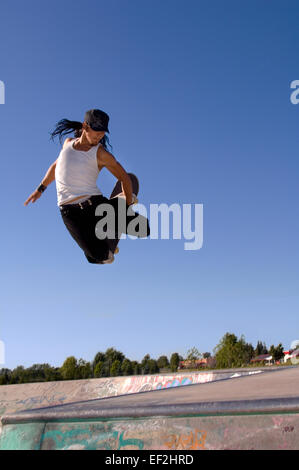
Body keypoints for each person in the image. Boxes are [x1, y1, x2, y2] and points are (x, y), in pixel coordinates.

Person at [24, 109, 147, 264]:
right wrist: (40, 189)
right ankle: (106, 235)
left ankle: (119, 203)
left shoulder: (101, 154)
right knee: (99, 258)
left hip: (93, 204)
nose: (99, 137)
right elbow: (56, 167)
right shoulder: (67, 144)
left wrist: (127, 205)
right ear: (85, 127)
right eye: (96, 132)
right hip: (69, 212)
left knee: (143, 229)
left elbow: (124, 178)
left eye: (102, 133)